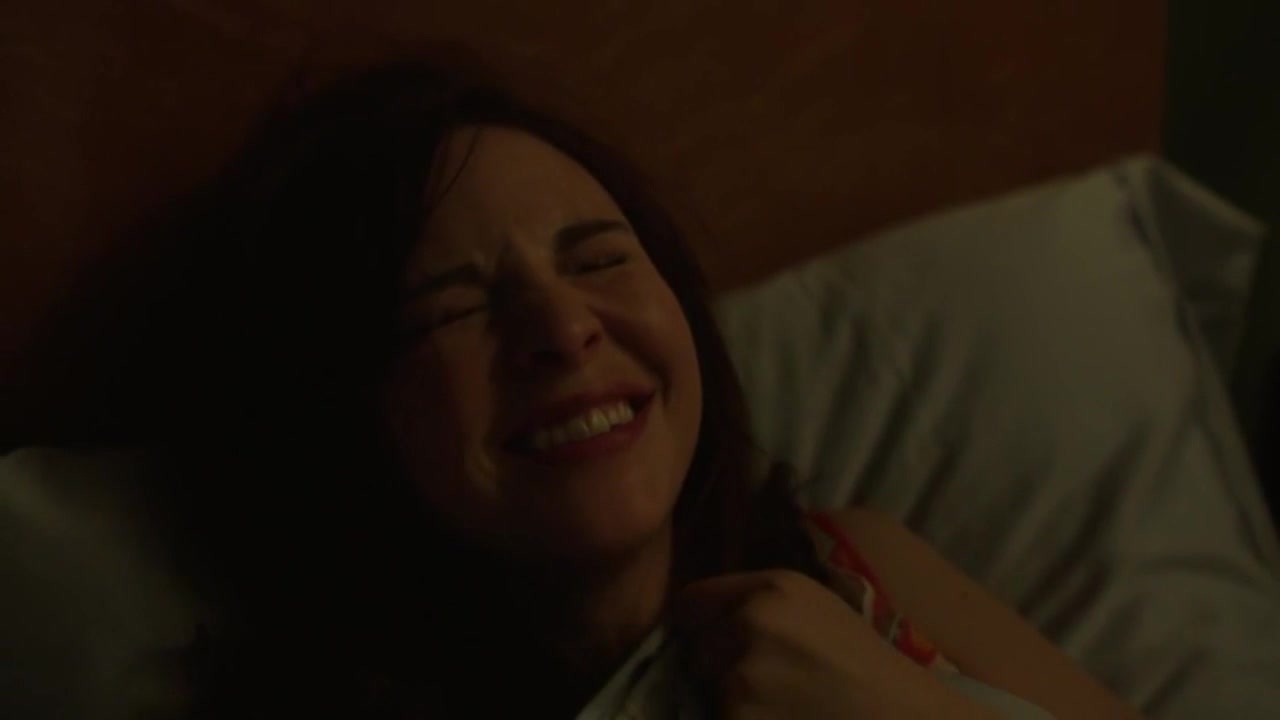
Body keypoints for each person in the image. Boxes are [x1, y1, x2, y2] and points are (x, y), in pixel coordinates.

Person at [146, 58, 1142, 718]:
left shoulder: (857, 570)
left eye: (598, 260)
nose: (563, 329)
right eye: (451, 310)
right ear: (345, 415)